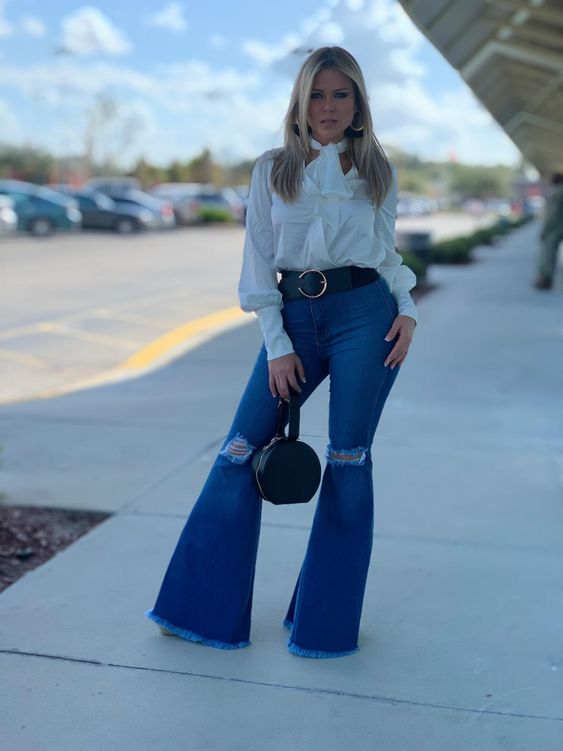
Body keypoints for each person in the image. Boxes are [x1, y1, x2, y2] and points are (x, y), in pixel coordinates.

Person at [144, 46, 418, 659]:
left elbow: (387, 253)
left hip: (367, 317)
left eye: (340, 94)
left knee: (349, 460)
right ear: (299, 101)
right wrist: (276, 346)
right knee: (239, 451)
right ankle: (200, 609)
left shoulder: (378, 169)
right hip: (292, 320)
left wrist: (409, 310)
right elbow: (258, 266)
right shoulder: (273, 168)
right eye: (316, 94)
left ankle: (324, 626)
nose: (327, 106)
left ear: (358, 103)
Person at [534, 172, 563, 290]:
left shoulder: (557, 193)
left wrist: (545, 230)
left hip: (555, 229)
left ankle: (545, 279)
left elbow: (552, 215)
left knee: (548, 254)